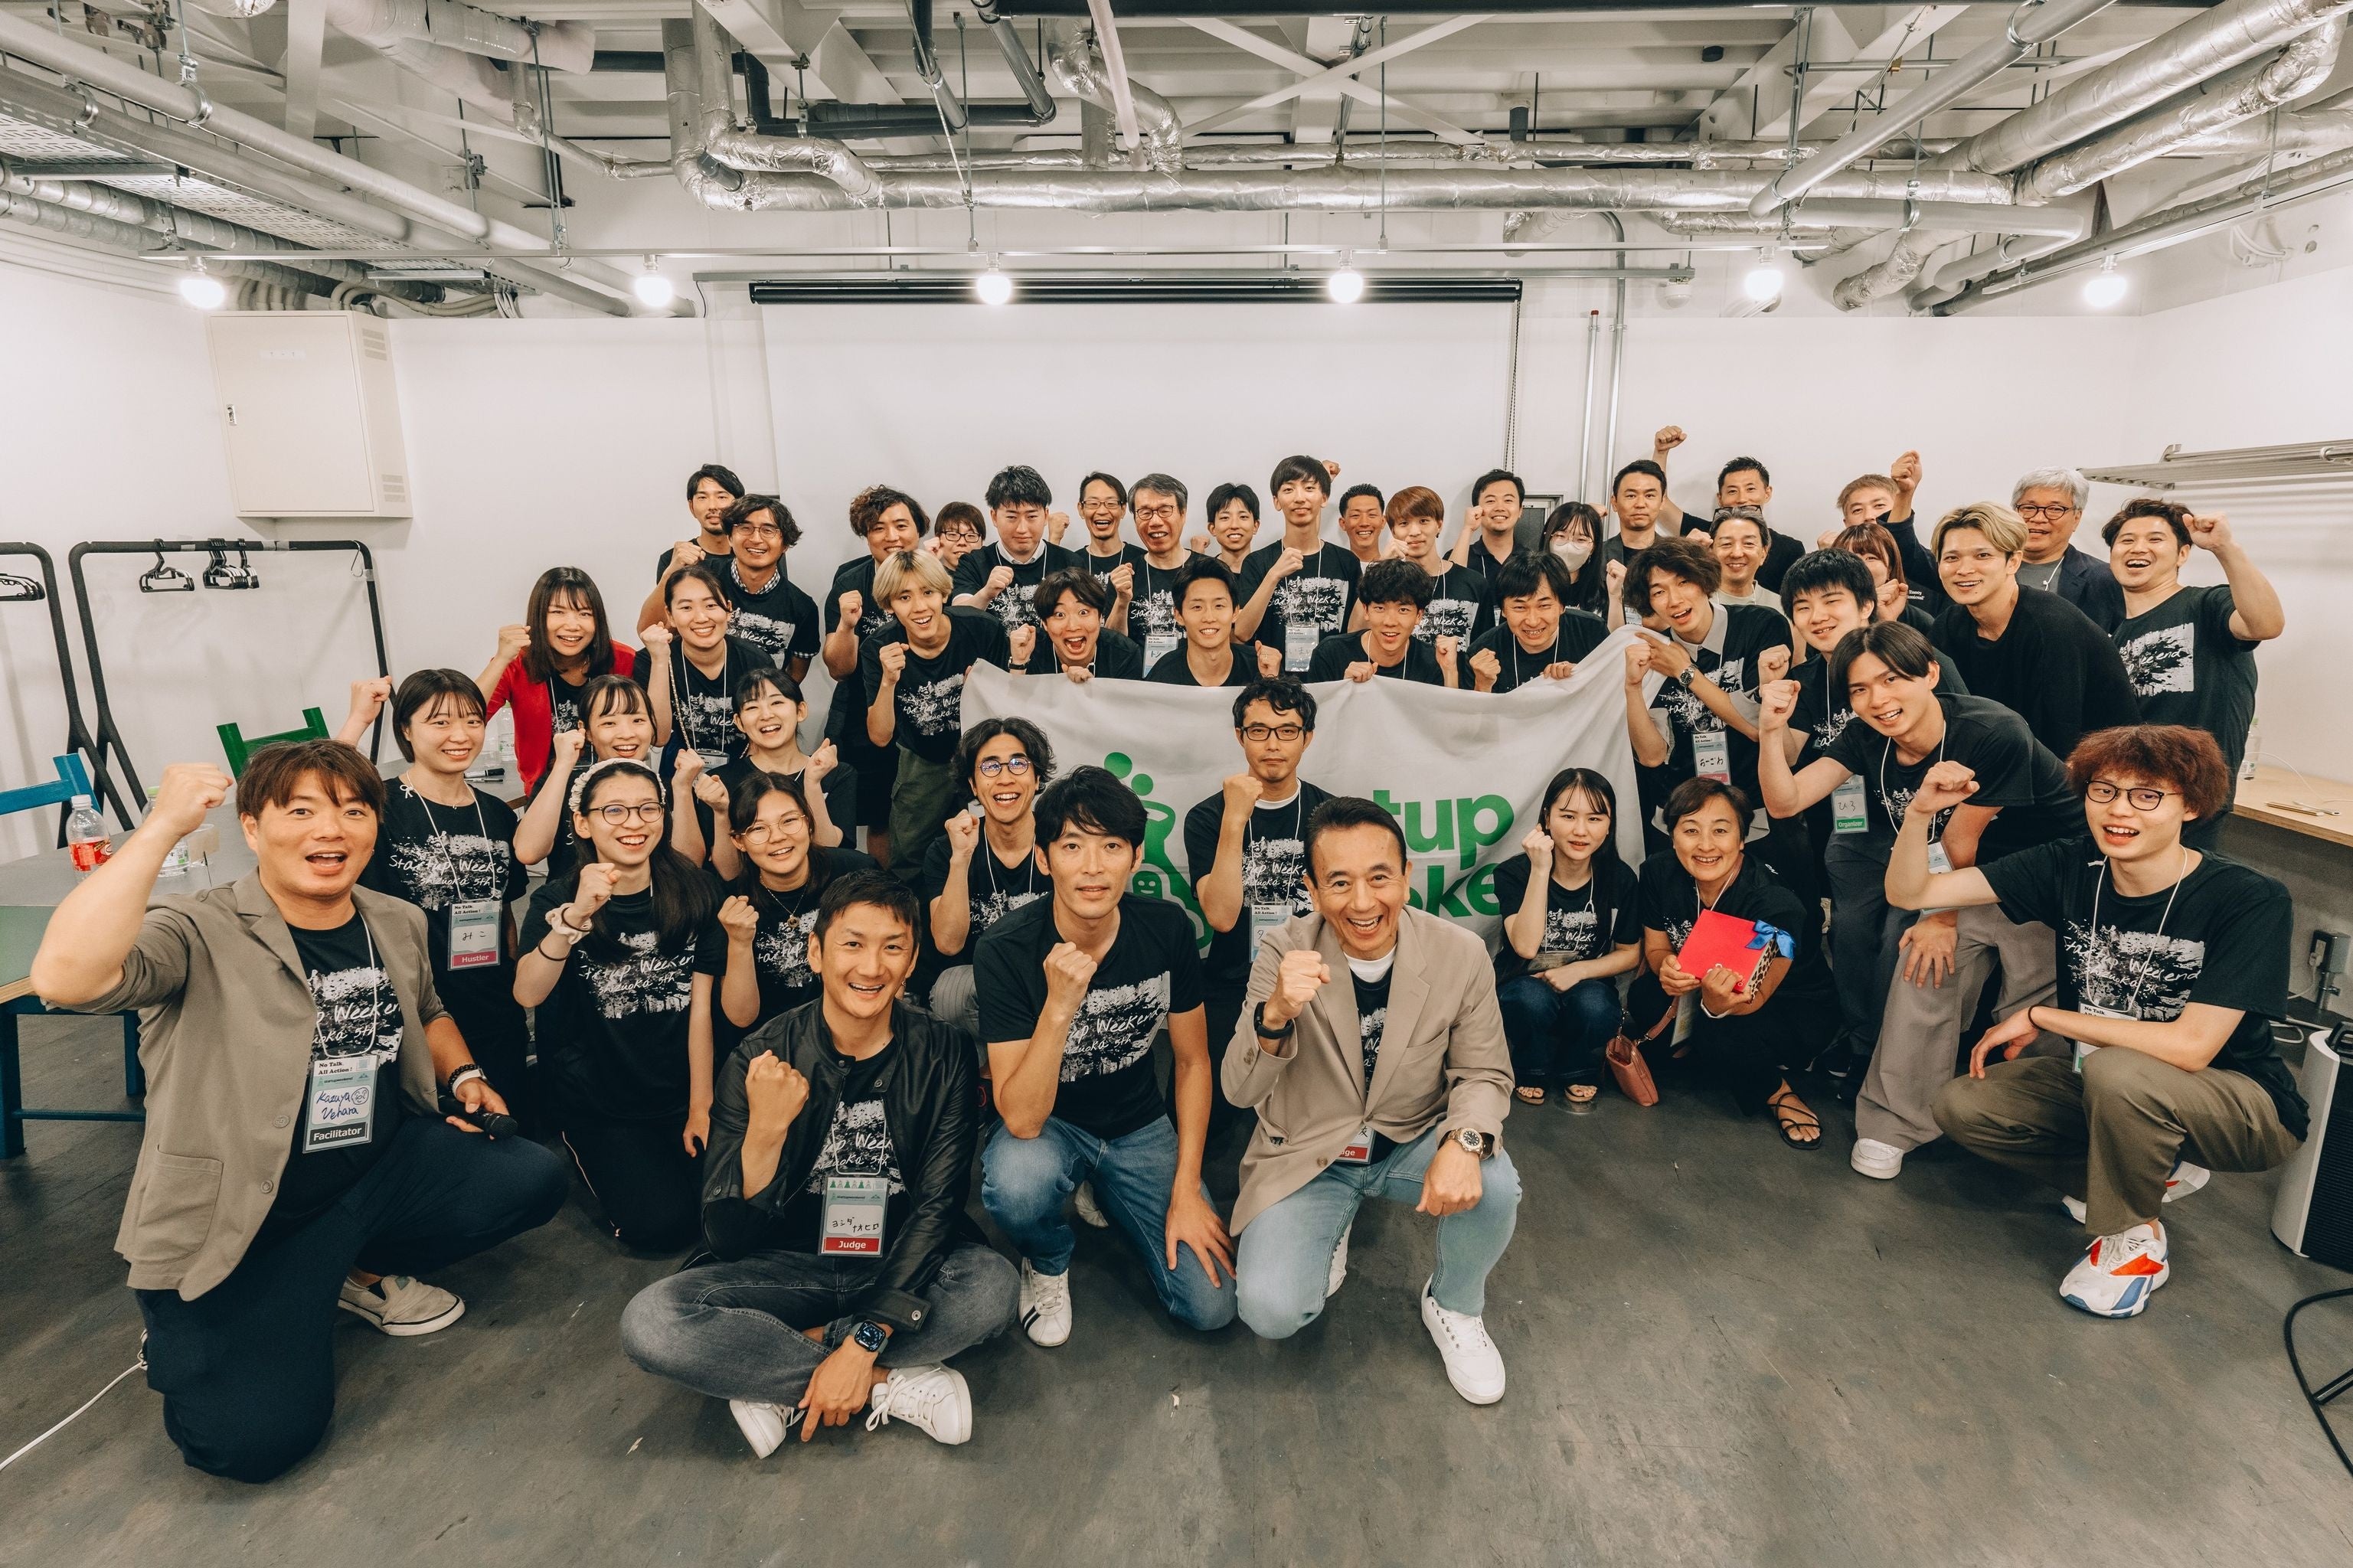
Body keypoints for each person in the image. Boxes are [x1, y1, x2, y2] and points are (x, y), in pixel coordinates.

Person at [31, 747, 564, 1482]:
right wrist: (158, 829)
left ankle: (353, 1271)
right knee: (249, 1445)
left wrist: (464, 1073)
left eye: (353, 810)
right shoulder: (198, 929)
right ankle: (211, 1321)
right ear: (252, 828)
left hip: (369, 1173)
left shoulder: (395, 918)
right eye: (302, 810)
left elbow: (428, 1008)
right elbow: (66, 979)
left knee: (528, 1177)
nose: (331, 829)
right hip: (247, 1215)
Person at [1898, 727, 2304, 1318]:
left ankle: (2133, 1242)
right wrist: (1919, 815)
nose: (2118, 810)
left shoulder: (2248, 898)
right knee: (1965, 1106)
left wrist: (2041, 1014)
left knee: (2119, 1071)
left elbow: (2191, 1048)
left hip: (2244, 1106)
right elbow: (1910, 891)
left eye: (2146, 796)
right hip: (2107, 1086)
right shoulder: (2069, 864)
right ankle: (2144, 1171)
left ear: (2190, 806)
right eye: (2104, 790)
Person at [619, 871, 1018, 1455]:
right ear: (815, 952)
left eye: (892, 948)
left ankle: (780, 1376)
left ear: (911, 963)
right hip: (785, 1263)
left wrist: (863, 1338)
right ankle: (888, 1383)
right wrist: (766, 1131)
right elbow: (727, 1238)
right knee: (652, 1322)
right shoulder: (759, 1057)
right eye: (852, 944)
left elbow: (937, 1207)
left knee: (991, 1288)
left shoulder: (944, 1052)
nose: (871, 967)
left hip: (897, 1256)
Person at [1758, 622, 2077, 1180]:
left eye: (1892, 679)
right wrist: (1769, 732)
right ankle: (1896, 1121)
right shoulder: (1866, 736)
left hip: (2048, 876)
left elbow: (1960, 839)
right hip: (1963, 874)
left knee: (2030, 1003)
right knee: (1922, 967)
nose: (1878, 699)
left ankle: (2039, 1129)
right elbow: (1786, 802)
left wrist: (1942, 917)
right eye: (1860, 689)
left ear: (1930, 674)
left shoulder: (1992, 730)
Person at [1225, 796, 1518, 1404]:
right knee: (1270, 1311)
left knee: (1493, 1184)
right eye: (1339, 883)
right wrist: (1273, 1015)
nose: (1361, 903)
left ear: (1407, 876)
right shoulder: (1283, 950)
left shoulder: (1459, 953)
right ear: (1311, 889)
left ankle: (1454, 1305)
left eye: (1379, 878)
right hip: (1310, 1155)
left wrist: (1464, 1142)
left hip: (1410, 1139)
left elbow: (1484, 1071)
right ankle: (1331, 1227)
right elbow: (1239, 1088)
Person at [976, 767, 1237, 1344]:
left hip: (1138, 1125)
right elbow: (1021, 1119)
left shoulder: (1166, 929)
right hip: (1049, 1127)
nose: (1092, 867)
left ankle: (1105, 1186)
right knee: (1017, 1183)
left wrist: (1186, 1187)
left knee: (1211, 1305)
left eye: (1111, 847)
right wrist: (1058, 1007)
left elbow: (1193, 1062)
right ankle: (1047, 1258)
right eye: (1072, 846)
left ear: (1136, 857)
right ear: (1044, 859)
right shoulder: (1005, 948)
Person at [1765, 550, 1966, 1094]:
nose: (1817, 616)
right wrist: (1768, 723)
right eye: (1802, 606)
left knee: (1899, 938)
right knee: (1851, 936)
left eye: (1831, 600)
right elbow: (1789, 778)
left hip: (1934, 832)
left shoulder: (1914, 659)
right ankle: (1861, 1044)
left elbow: (1962, 746)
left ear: (1866, 605)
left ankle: (1892, 1053)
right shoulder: (1809, 679)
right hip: (1856, 830)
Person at [516, 759, 721, 1252]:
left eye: (648, 808)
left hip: (679, 1089)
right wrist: (576, 916)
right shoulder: (556, 899)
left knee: (726, 1210)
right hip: (601, 1102)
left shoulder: (695, 890)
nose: (635, 823)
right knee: (662, 1228)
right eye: (614, 811)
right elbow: (527, 992)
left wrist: (701, 1105)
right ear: (583, 823)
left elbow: (701, 1010)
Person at [340, 671, 536, 1129]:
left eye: (472, 721)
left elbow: (506, 910)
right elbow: (320, 792)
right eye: (440, 722)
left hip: (492, 1000)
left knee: (510, 1127)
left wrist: (511, 984)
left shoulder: (496, 813)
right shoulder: (379, 808)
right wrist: (358, 721)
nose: (460, 735)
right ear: (406, 730)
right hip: (417, 1006)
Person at [1623, 779, 1834, 1149]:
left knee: (1718, 1030)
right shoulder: (1659, 871)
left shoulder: (1774, 902)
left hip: (1787, 1004)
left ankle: (1778, 1091)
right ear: (1672, 837)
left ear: (1741, 840)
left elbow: (1756, 996)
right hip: (1701, 989)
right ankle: (1708, 1052)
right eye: (1691, 830)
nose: (1705, 845)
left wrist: (1715, 1007)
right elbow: (1656, 948)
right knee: (1645, 995)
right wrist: (1667, 968)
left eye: (1720, 831)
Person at [1182, 678, 1332, 1127]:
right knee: (1214, 1103)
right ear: (1239, 736)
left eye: (1287, 731)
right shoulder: (1207, 816)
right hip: (1233, 977)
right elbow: (1221, 917)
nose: (1272, 744)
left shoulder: (1330, 815)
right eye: (1259, 731)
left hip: (1316, 976)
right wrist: (1235, 819)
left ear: (1307, 738)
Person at [2105, 500, 2281, 844]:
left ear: (2182, 554)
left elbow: (2266, 624)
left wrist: (2225, 548)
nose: (2138, 548)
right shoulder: (2115, 637)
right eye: (2126, 540)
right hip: (2129, 798)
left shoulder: (2207, 605)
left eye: (2155, 539)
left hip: (2192, 800)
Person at [1928, 502, 2139, 760]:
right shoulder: (1949, 626)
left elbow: (2060, 736)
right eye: (1952, 558)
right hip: (2005, 759)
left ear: (2013, 561)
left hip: (2101, 765)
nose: (1964, 569)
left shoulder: (2052, 625)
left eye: (1982, 555)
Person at [1620, 537, 1796, 843]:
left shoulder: (1760, 625)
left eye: (1684, 582)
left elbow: (1758, 729)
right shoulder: (1655, 650)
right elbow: (1652, 756)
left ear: (1704, 580)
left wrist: (1685, 672)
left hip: (1754, 812)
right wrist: (1632, 687)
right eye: (1658, 592)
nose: (1674, 600)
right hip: (1682, 817)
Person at [1492, 769, 1640, 1109]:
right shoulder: (1514, 872)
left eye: (1595, 818)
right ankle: (1531, 1067)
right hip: (1524, 980)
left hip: (1586, 983)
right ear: (1547, 818)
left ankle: (1579, 1067)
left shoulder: (1619, 878)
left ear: (1609, 824)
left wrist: (1578, 971)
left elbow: (1630, 953)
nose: (1581, 830)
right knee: (1528, 1001)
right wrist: (1540, 869)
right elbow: (1525, 947)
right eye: (1568, 816)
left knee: (1596, 1006)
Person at [862, 550, 1013, 873]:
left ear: (944, 593)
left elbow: (1009, 712)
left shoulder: (982, 629)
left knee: (992, 850)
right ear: (889, 605)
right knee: (909, 858)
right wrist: (888, 681)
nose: (919, 607)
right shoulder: (879, 647)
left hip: (982, 756)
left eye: (928, 592)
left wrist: (983, 691)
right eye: (904, 597)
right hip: (922, 760)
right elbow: (880, 736)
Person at [708, 771, 879, 1042]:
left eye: (789, 821)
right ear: (739, 841)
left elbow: (893, 956)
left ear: (808, 823)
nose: (777, 837)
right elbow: (741, 1017)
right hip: (770, 1044)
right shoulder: (731, 905)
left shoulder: (856, 874)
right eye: (758, 829)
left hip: (856, 1030)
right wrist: (739, 943)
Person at [923, 717, 1056, 1039]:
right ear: (973, 785)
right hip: (984, 985)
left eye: (1018, 764)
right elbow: (948, 943)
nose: (1005, 778)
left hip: (1054, 979)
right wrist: (961, 858)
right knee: (950, 991)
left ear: (1037, 778)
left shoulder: (1062, 841)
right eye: (990, 767)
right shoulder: (948, 849)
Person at [822, 485, 929, 870]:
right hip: (865, 715)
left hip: (930, 712)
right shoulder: (850, 582)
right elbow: (839, 669)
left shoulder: (939, 577)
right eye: (878, 528)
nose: (892, 536)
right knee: (879, 816)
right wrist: (848, 626)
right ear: (866, 536)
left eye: (901, 525)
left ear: (919, 529)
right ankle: (882, 888)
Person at [480, 567, 639, 796]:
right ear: (539, 617)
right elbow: (469, 716)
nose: (572, 625)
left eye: (585, 613)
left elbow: (653, 729)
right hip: (546, 793)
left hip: (617, 788)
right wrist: (501, 659)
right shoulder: (517, 663)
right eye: (558, 612)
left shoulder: (623, 659)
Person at [644, 564, 777, 773]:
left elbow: (768, 731)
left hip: (745, 768)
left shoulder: (756, 661)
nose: (701, 618)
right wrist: (660, 660)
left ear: (729, 609)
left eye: (711, 605)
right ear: (670, 615)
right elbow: (658, 738)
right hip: (679, 771)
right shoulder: (652, 659)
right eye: (686, 608)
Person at [1237, 455, 1361, 674]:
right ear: (1276, 501)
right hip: (1275, 683)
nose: (1300, 498)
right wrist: (1274, 575)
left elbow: (1356, 633)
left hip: (1333, 682)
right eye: (1289, 489)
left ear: (1324, 497)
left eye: (1309, 488)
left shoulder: (1347, 561)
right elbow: (1242, 632)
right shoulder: (1258, 562)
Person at [714, 668, 842, 861]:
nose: (766, 715)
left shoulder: (836, 774)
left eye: (776, 703)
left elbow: (829, 852)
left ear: (800, 711)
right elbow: (728, 871)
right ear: (739, 722)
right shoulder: (720, 782)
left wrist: (812, 784)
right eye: (752, 707)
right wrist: (720, 811)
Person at [953, 465, 1080, 631]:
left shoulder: (1070, 562)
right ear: (994, 517)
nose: (1022, 529)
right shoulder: (973, 563)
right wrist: (986, 593)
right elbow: (958, 620)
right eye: (1012, 517)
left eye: (1031, 516)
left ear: (1046, 516)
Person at [1465, 553, 1608, 694]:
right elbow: (1474, 710)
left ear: (1562, 606)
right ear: (1503, 610)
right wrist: (1482, 685)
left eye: (1544, 606)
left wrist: (1581, 676)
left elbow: (1612, 692)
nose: (1533, 621)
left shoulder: (1592, 632)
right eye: (1520, 607)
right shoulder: (1482, 654)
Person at [710, 495, 819, 679]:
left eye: (768, 530)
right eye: (745, 528)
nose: (756, 539)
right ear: (729, 537)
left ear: (785, 544)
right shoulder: (704, 582)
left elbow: (793, 676)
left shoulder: (802, 606)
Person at [1306, 559, 1457, 686]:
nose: (1390, 622)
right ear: (1366, 611)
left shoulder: (1432, 661)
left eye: (1403, 610)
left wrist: (1449, 671)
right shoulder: (1331, 653)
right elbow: (1316, 712)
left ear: (1419, 615)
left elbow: (1446, 713)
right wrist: (1344, 687)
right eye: (1380, 608)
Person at [2011, 468, 2125, 631]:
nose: (2038, 518)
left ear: (2076, 518)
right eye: (2029, 507)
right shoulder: (1985, 567)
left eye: (2055, 509)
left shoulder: (2104, 578)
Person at [639, 462, 745, 632]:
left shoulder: (755, 555)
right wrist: (671, 572)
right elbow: (655, 630)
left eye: (721, 497)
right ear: (691, 507)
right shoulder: (675, 559)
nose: (713, 506)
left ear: (738, 505)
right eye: (702, 497)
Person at [1146, 556, 1279, 688]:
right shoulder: (1162, 676)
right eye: (1197, 607)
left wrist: (1272, 680)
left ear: (1235, 612)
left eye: (1219, 606)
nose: (1209, 618)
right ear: (1179, 615)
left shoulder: (1260, 667)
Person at [1380, 485, 1490, 645]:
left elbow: (1485, 649)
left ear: (1439, 524)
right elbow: (1356, 632)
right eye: (1404, 523)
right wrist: (1380, 568)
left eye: (1423, 521)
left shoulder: (1474, 583)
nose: (1415, 531)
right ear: (1393, 531)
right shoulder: (1385, 583)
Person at [1011, 570, 1145, 681]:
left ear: (1100, 617)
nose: (1073, 626)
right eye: (1060, 614)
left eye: (1083, 612)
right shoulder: (1031, 649)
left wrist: (1091, 690)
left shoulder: (1124, 653)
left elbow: (1126, 705)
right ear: (1044, 623)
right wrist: (1019, 664)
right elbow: (1014, 703)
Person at [1126, 472, 1195, 671]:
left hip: (1194, 682)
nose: (1155, 521)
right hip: (1139, 685)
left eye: (1165, 510)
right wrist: (1122, 601)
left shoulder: (1208, 571)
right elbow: (1113, 646)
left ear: (1183, 514)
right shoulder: (1126, 575)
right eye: (1145, 512)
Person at [1832, 521, 1940, 637]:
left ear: (1889, 569)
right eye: (1851, 558)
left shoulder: (1919, 621)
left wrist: (1887, 622)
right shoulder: (1826, 616)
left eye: (1871, 558)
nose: (1861, 566)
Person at [1073, 472, 1145, 621]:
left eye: (1111, 503)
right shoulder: (1071, 563)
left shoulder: (1142, 561)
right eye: (1093, 503)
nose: (1102, 511)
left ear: (1123, 509)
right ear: (1081, 509)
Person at [1447, 468, 1527, 584]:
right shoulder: (1460, 555)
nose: (1500, 508)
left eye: (1508, 500)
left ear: (1520, 510)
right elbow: (1450, 589)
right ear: (1477, 509)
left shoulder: (1532, 560)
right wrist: (1468, 529)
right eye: (1490, 501)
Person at [1539, 501, 1613, 618]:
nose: (1569, 546)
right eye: (1561, 536)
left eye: (1581, 540)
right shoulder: (1527, 584)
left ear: (1593, 548)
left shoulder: (1602, 594)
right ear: (1547, 537)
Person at [1600, 459, 1674, 568]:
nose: (1640, 504)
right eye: (1631, 496)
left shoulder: (1675, 557)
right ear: (1614, 503)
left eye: (1649, 496)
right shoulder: (1596, 556)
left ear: (1662, 502)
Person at [1710, 507, 1781, 612]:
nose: (1737, 554)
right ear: (1711, 552)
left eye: (1748, 543)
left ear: (1764, 553)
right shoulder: (1696, 603)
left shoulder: (1781, 607)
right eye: (1726, 544)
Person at [1194, 481, 1261, 573]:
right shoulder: (1206, 573)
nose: (1234, 525)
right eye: (1225, 518)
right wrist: (1195, 559)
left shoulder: (1268, 571)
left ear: (1255, 526)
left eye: (1243, 517)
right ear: (1212, 528)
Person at [1336, 482, 1389, 567]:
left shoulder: (1398, 570)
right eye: (1355, 515)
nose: (1364, 523)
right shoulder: (1333, 570)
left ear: (1383, 521)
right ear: (1343, 523)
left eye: (1372, 515)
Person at [932, 501, 986, 576]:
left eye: (971, 536)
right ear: (938, 538)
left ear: (982, 541)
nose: (962, 542)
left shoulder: (993, 577)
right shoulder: (925, 579)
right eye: (953, 535)